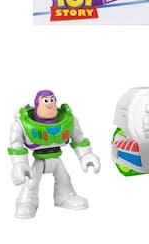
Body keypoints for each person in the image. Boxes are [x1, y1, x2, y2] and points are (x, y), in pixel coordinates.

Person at [8, 90, 100, 219]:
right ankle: (26, 201)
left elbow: (78, 139)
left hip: (56, 158)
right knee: (32, 181)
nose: (50, 104)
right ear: (38, 104)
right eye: (45, 101)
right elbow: (16, 145)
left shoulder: (69, 120)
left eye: (52, 100)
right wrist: (20, 164)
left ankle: (65, 196)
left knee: (64, 178)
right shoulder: (22, 123)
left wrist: (86, 155)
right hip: (39, 159)